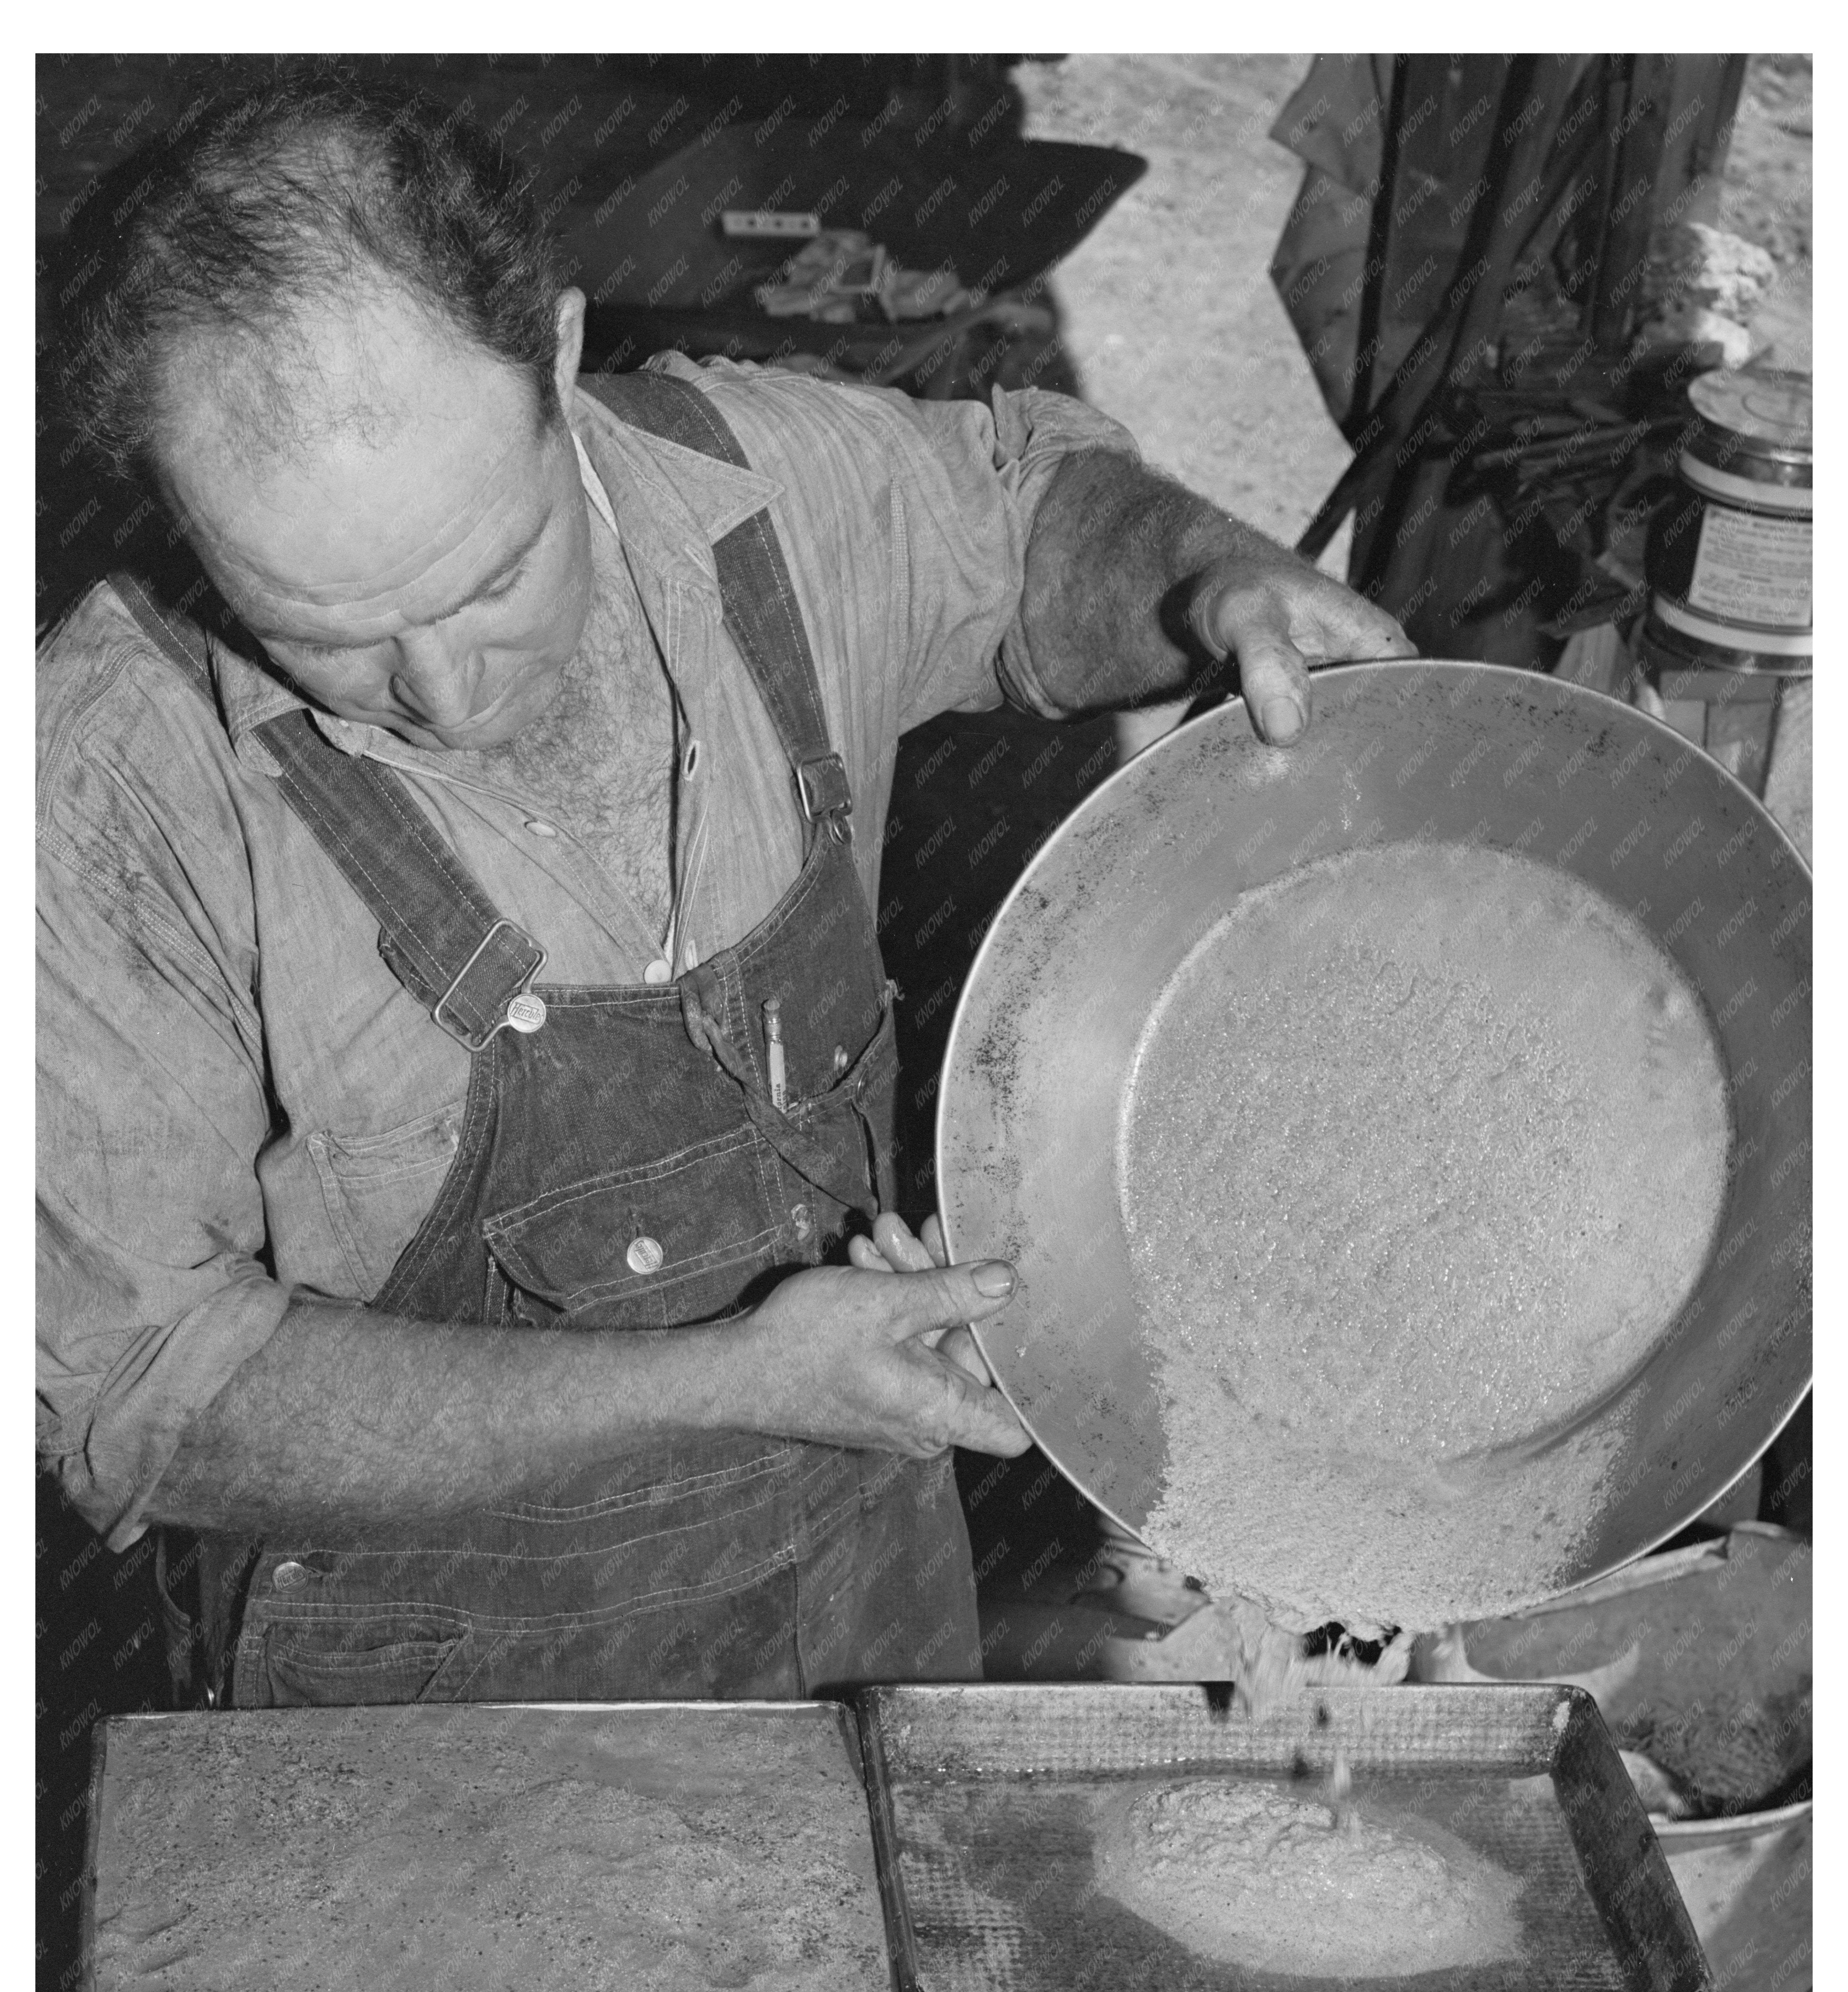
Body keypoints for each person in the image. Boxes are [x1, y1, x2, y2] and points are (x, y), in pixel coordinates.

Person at [38, 73, 1412, 1707]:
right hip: (423, 1736)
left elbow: (1028, 513)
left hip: (865, 1614)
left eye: (491, 575)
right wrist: (723, 1382)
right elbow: (153, 1397)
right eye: (324, 632)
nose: (443, 691)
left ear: (555, 358)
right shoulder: (109, 784)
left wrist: (1203, 576)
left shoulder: (754, 487)